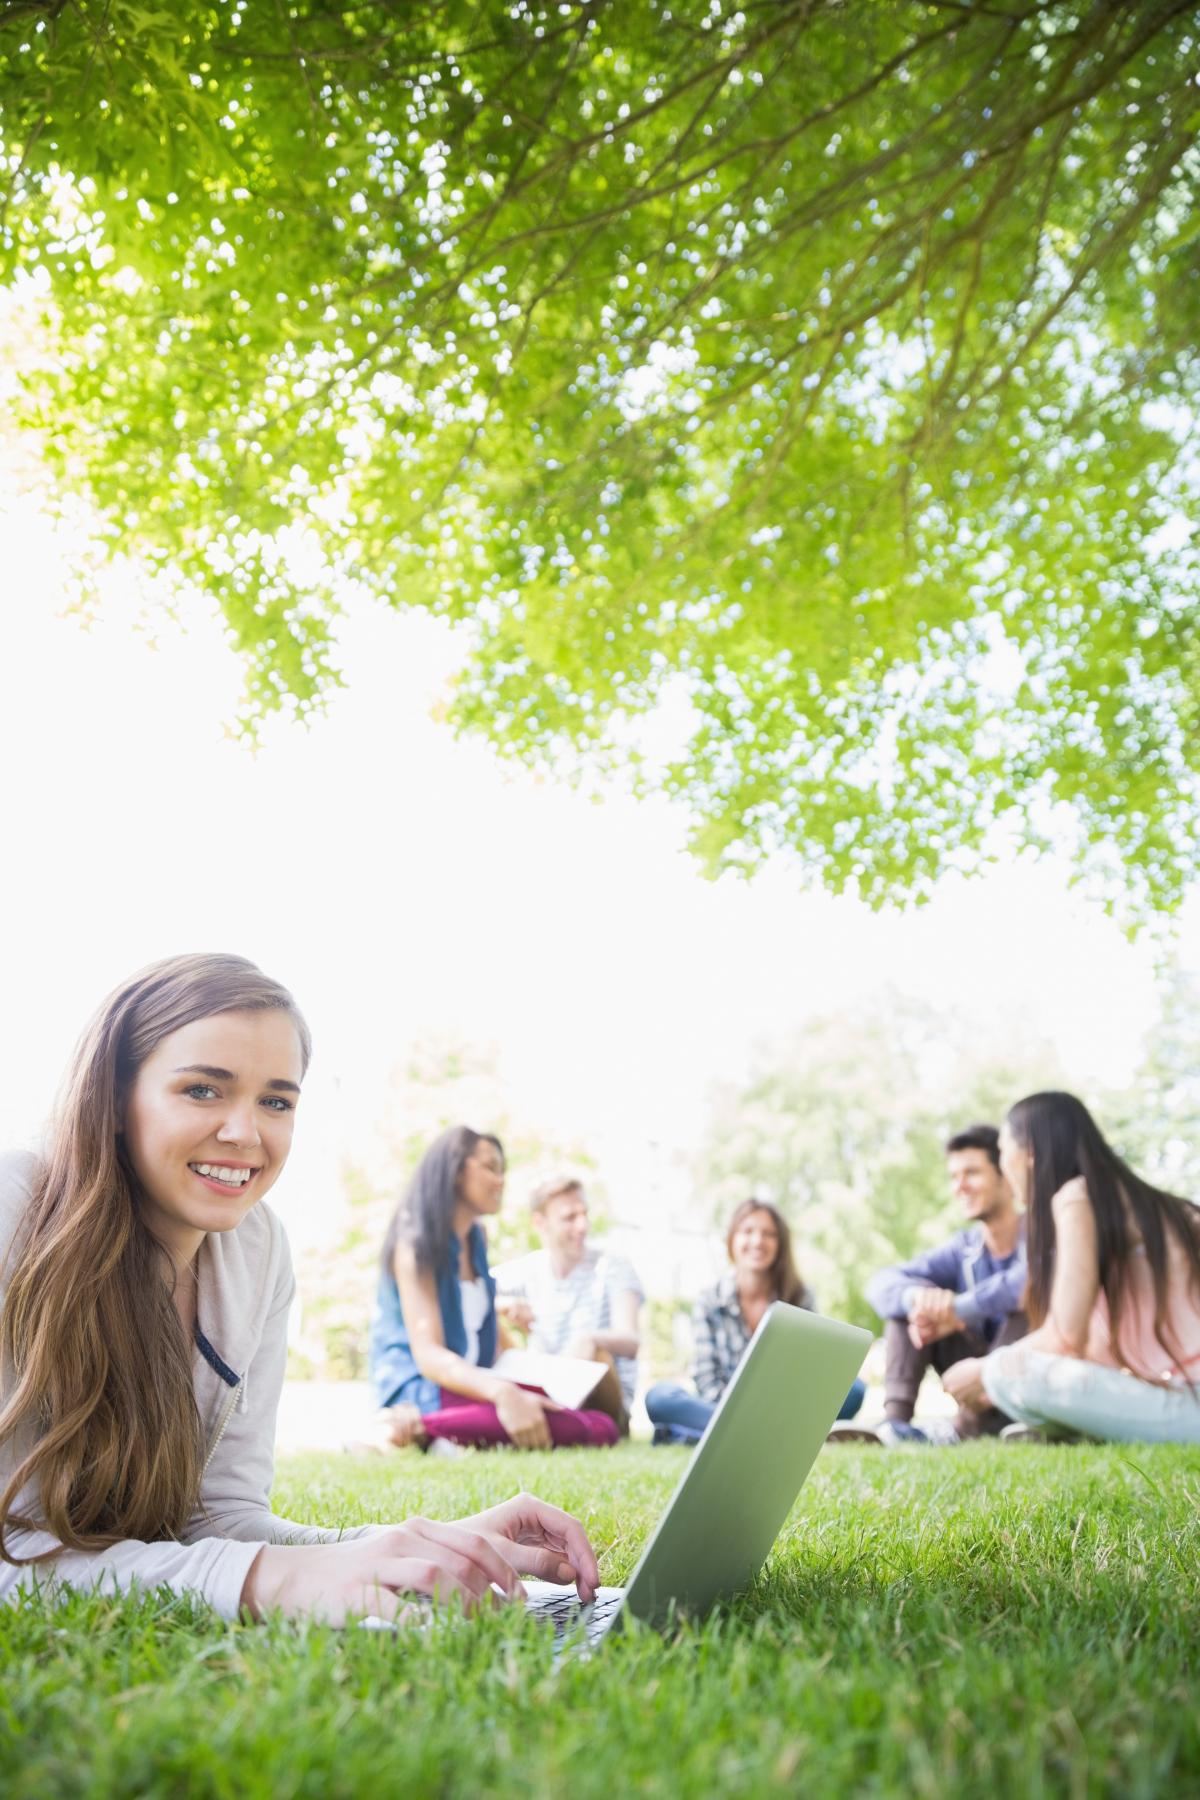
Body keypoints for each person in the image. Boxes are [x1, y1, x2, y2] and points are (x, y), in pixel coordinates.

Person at [0, 954, 598, 1624]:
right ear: (112, 1097)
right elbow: (14, 1560)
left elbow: (221, 1519)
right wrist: (270, 1582)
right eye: (202, 1089)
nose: (244, 1133)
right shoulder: (15, 1212)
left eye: (276, 1101)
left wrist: (422, 1547)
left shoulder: (257, 1250)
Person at [957, 1093, 1200, 1444]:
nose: (1004, 1166)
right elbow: (1090, 1345)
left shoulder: (1077, 1197)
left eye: (1003, 1149)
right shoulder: (1134, 1201)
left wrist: (985, 1369)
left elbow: (1066, 1336)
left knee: (1008, 1375)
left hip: (1189, 1406)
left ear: (1031, 1154)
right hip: (1183, 1399)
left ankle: (1073, 1430)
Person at [369, 1130, 620, 1451]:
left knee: (601, 1424)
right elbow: (429, 1356)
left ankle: (429, 1432)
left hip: (477, 1380)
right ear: (457, 1171)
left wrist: (526, 1377)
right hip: (428, 1387)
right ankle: (408, 1425)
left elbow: (479, 1323)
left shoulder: (476, 1238)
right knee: (586, 1429)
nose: (500, 1180)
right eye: (490, 1167)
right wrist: (504, 1393)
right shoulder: (414, 1244)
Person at [644, 1199, 866, 1445]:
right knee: (660, 1397)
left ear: (780, 1244)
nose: (758, 1241)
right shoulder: (710, 1300)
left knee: (854, 1389)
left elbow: (806, 1373)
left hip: (782, 1409)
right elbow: (706, 1377)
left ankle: (723, 1436)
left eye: (769, 1234)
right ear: (732, 1239)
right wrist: (738, 1415)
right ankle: (769, 1436)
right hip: (721, 1408)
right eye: (747, 1231)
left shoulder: (799, 1296)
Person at [862, 1124, 1027, 1444]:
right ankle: (894, 1425)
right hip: (973, 1391)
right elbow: (880, 1283)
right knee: (912, 1303)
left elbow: (1024, 1284)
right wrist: (919, 1300)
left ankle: (996, 1423)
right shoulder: (962, 1248)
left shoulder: (1042, 1235)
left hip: (1024, 1380)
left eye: (972, 1173)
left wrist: (958, 1310)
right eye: (954, 1176)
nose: (959, 1187)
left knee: (1030, 1302)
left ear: (1006, 1177)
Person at [493, 1173, 644, 1434]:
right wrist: (504, 1305)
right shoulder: (529, 1269)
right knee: (490, 1322)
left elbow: (631, 1340)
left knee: (597, 1352)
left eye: (584, 1214)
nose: (582, 1225)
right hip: (545, 1386)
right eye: (569, 1218)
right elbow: (468, 1294)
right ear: (540, 1222)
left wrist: (589, 1339)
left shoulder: (613, 1266)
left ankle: (562, 1419)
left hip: (602, 1399)